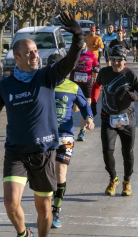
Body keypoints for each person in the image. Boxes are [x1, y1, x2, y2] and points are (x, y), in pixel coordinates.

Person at [0, 12, 83, 237]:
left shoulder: (47, 76)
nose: (34, 56)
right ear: (16, 58)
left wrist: (78, 37)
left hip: (44, 152)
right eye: (29, 53)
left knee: (44, 210)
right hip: (16, 152)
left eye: (36, 52)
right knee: (10, 203)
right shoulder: (7, 86)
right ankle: (23, 233)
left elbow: (70, 61)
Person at [91, 45, 138, 197]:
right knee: (107, 150)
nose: (116, 63)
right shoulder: (104, 72)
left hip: (127, 120)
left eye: (119, 60)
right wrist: (93, 103)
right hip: (107, 118)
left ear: (125, 61)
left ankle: (127, 181)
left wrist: (137, 97)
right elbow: (96, 86)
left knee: (127, 153)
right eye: (113, 59)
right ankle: (113, 178)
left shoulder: (131, 75)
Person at [47, 54, 95, 229]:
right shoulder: (42, 86)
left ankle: (56, 211)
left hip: (65, 135)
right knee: (46, 175)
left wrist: (89, 118)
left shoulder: (73, 87)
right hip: (44, 136)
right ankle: (46, 206)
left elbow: (84, 106)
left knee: (60, 172)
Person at [69, 42, 100, 141]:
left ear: (86, 43)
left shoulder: (92, 55)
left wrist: (96, 69)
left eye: (82, 42)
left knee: (85, 107)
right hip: (74, 84)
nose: (80, 44)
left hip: (87, 84)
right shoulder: (73, 54)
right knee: (74, 109)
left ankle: (82, 131)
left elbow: (98, 66)